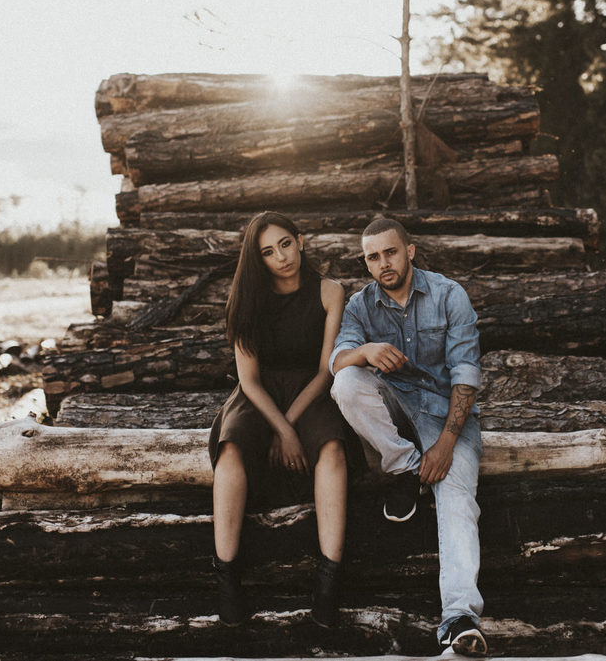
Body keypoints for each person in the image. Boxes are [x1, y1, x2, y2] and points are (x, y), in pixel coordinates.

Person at [329, 218, 487, 656]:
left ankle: (460, 619)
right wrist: (364, 351)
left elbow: (466, 374)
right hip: (395, 411)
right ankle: (405, 469)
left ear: (410, 251)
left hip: (444, 416)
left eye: (391, 252)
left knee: (457, 498)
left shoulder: (448, 294)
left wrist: (446, 445)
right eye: (373, 257)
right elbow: (337, 362)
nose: (384, 263)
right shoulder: (360, 305)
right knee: (347, 383)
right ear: (366, 262)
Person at [208, 211, 350, 628]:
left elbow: (325, 371)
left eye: (285, 244)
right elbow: (249, 381)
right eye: (268, 252)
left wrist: (290, 425)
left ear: (300, 241)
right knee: (230, 450)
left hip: (311, 388)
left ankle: (329, 582)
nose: (281, 257)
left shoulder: (329, 291)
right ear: (259, 260)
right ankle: (227, 580)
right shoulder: (246, 298)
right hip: (259, 393)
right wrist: (282, 430)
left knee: (332, 449)